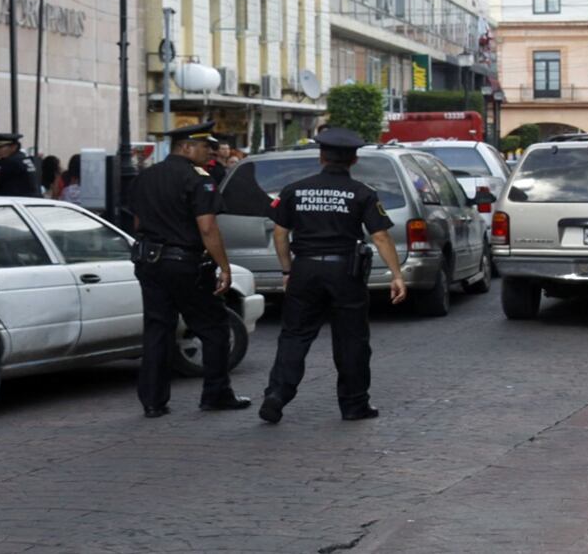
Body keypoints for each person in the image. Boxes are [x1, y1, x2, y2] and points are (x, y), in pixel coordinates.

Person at [258, 127, 407, 424]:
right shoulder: (362, 193)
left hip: (305, 269)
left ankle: (277, 394)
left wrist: (287, 269)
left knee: (295, 335)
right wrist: (396, 275)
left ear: (321, 157)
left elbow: (280, 233)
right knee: (351, 339)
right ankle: (354, 405)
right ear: (354, 160)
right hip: (345, 272)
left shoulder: (294, 190)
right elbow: (380, 236)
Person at [128, 121, 251, 418]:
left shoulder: (146, 176)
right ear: (186, 147)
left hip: (149, 261)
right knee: (214, 326)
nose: (210, 152)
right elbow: (207, 228)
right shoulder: (198, 178)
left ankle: (153, 401)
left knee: (158, 329)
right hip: (184, 264)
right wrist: (224, 267)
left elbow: (138, 223)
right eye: (205, 146)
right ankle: (216, 394)